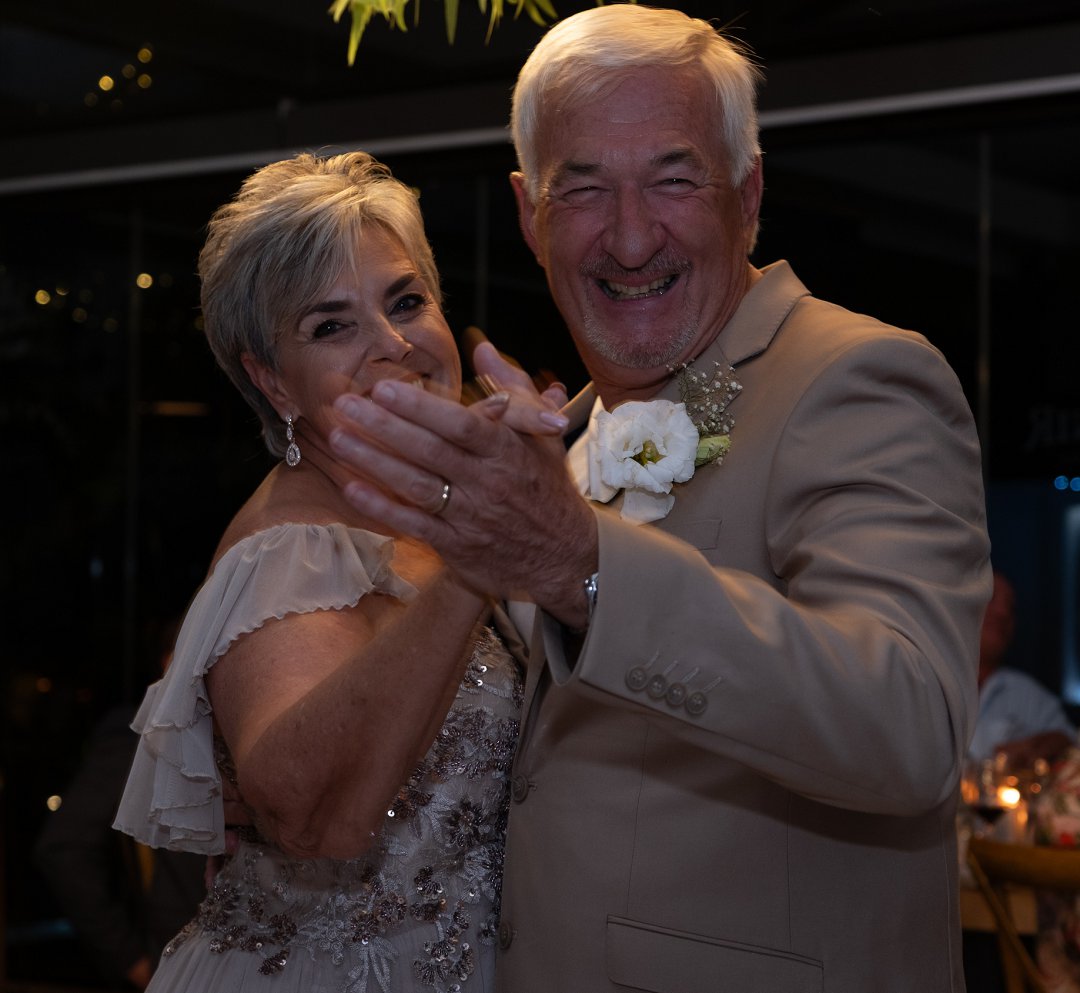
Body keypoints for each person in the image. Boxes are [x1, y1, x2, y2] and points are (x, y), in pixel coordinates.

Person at [325, 6, 992, 991]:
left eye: (675, 180)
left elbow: (909, 728)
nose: (631, 238)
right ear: (529, 214)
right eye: (583, 188)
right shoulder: (562, 436)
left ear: (748, 195)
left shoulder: (859, 377)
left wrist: (583, 567)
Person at [112, 150, 564, 993]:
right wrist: (478, 556)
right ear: (272, 382)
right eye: (331, 327)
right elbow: (309, 817)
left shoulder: (430, 508)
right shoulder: (289, 550)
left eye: (407, 302)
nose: (393, 345)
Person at [35, 618, 204, 990]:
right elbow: (64, 848)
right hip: (175, 956)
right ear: (169, 662)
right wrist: (131, 959)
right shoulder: (137, 740)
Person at [969, 570, 1075, 768]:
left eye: (1011, 607)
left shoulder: (1025, 693)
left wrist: (1040, 746)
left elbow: (1068, 741)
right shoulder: (928, 680)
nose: (1003, 613)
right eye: (991, 598)